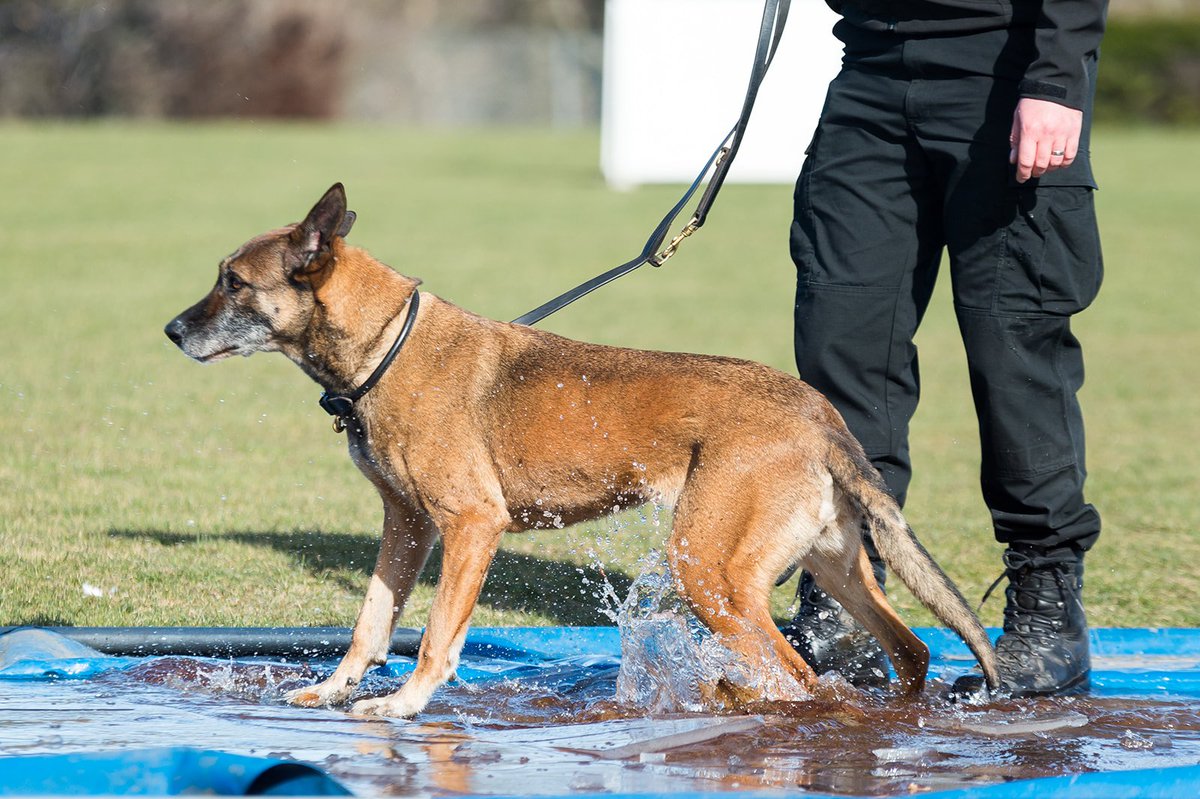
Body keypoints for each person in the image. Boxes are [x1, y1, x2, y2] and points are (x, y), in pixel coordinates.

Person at [780, 0, 1107, 697]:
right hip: (870, 69)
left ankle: (1047, 606)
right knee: (840, 343)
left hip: (1007, 76)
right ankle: (844, 597)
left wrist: (1055, 79)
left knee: (1015, 357)